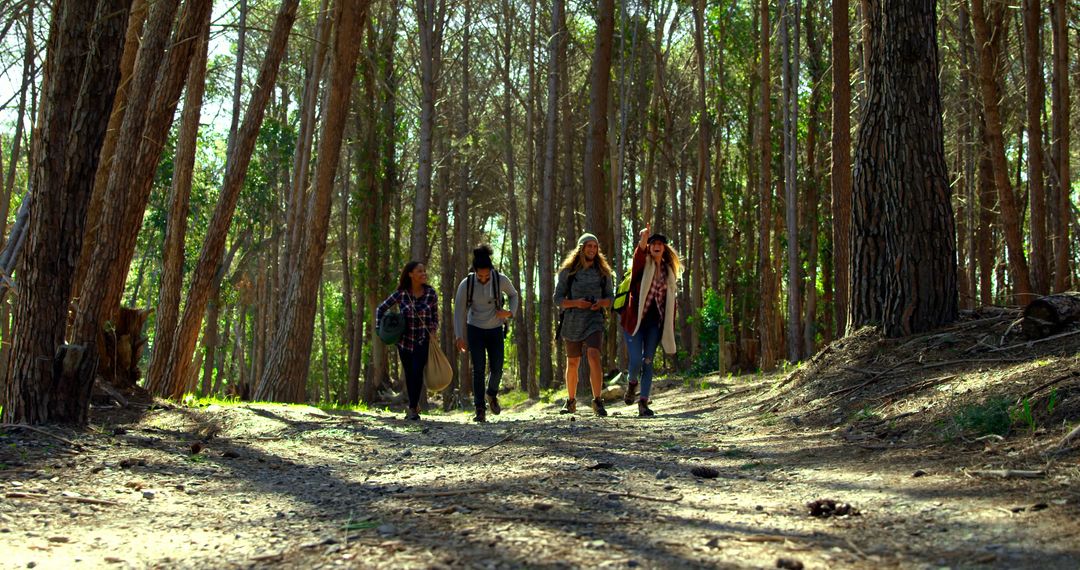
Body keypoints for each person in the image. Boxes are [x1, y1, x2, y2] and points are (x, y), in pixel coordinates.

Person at [619, 226, 682, 417]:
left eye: (660, 244)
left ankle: (643, 403)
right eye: (653, 244)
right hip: (634, 322)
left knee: (648, 361)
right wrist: (642, 241)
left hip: (654, 324)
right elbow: (638, 255)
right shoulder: (642, 263)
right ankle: (632, 384)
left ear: (664, 248)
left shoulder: (668, 271)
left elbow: (670, 300)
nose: (656, 246)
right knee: (636, 360)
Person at [454, 245, 520, 423]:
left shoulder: (500, 280)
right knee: (478, 369)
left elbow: (514, 295)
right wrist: (459, 336)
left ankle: (491, 393)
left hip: (495, 329)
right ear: (474, 271)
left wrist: (509, 313)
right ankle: (480, 409)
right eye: (480, 276)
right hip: (475, 328)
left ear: (491, 270)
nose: (483, 279)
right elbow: (459, 311)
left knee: (497, 368)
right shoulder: (466, 284)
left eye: (487, 275)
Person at [553, 233, 614, 416]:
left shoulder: (603, 272)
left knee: (593, 355)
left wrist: (600, 303)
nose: (592, 250)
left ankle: (597, 401)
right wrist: (576, 303)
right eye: (589, 246)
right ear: (581, 248)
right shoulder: (567, 272)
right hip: (572, 321)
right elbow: (558, 299)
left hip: (594, 319)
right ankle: (571, 401)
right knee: (573, 362)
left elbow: (611, 298)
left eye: (595, 247)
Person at [376, 261, 439, 421]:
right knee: (410, 374)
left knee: (417, 372)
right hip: (404, 342)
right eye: (419, 271)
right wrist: (380, 328)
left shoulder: (431, 293)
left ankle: (412, 407)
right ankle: (413, 405)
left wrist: (433, 330)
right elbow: (381, 308)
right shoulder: (401, 293)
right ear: (410, 274)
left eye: (424, 270)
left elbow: (434, 316)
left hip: (423, 341)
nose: (423, 273)